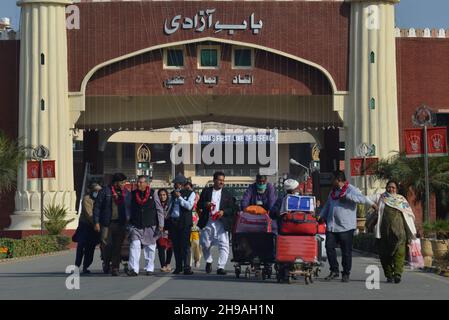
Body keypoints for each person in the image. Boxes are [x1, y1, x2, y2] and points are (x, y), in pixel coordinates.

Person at [319, 171, 378, 282]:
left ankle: (346, 273)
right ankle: (334, 270)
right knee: (328, 247)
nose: (331, 182)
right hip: (332, 226)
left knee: (346, 251)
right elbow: (327, 205)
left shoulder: (351, 189)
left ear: (339, 180)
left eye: (333, 179)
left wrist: (347, 196)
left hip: (346, 227)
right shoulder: (333, 191)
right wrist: (321, 215)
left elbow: (362, 199)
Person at [367, 180, 417, 284]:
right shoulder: (381, 197)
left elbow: (409, 215)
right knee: (384, 255)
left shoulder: (401, 200)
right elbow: (365, 198)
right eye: (389, 187)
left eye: (393, 187)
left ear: (396, 189)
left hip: (400, 233)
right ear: (386, 188)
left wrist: (411, 231)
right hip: (384, 233)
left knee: (400, 253)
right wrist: (374, 205)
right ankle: (389, 275)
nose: (391, 189)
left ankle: (398, 274)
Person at [197, 171, 237, 275]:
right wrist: (206, 204)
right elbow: (199, 205)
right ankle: (209, 260)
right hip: (208, 221)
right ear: (214, 180)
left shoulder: (227, 194)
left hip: (221, 223)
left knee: (224, 245)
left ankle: (221, 267)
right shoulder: (206, 191)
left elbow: (233, 209)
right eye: (219, 180)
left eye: (223, 180)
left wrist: (223, 212)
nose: (221, 182)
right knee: (205, 244)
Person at [93, 173, 131, 276]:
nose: (124, 184)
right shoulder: (105, 191)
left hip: (121, 224)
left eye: (124, 182)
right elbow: (97, 207)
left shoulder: (126, 193)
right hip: (106, 223)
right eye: (122, 182)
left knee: (117, 246)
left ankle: (115, 268)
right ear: (116, 182)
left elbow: (130, 208)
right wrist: (96, 222)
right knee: (106, 245)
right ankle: (106, 262)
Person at [127, 175, 165, 276]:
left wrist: (161, 224)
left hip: (150, 224)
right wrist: (128, 221)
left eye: (140, 182)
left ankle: (149, 268)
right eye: (137, 182)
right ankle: (134, 269)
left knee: (150, 248)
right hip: (136, 225)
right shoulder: (132, 194)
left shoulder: (154, 194)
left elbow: (159, 210)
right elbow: (127, 208)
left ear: (146, 184)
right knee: (134, 246)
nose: (138, 184)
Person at [168, 173, 196, 275]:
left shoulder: (190, 193)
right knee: (176, 245)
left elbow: (189, 206)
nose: (175, 186)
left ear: (182, 184)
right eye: (175, 184)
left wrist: (180, 198)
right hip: (174, 222)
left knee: (185, 245)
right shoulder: (172, 194)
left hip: (184, 222)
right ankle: (178, 267)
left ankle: (187, 267)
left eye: (177, 184)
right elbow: (169, 207)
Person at [74, 183, 102, 274]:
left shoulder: (100, 199)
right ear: (91, 191)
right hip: (85, 226)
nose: (97, 192)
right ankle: (77, 265)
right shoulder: (87, 199)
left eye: (99, 191)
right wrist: (97, 223)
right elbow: (89, 214)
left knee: (91, 248)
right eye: (96, 191)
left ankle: (86, 266)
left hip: (94, 227)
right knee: (81, 246)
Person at [157, 188, 173, 273]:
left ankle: (168, 263)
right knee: (161, 246)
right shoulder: (156, 204)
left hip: (169, 227)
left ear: (167, 196)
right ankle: (163, 265)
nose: (162, 197)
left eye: (164, 195)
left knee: (170, 246)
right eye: (160, 195)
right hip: (160, 228)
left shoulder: (170, 204)